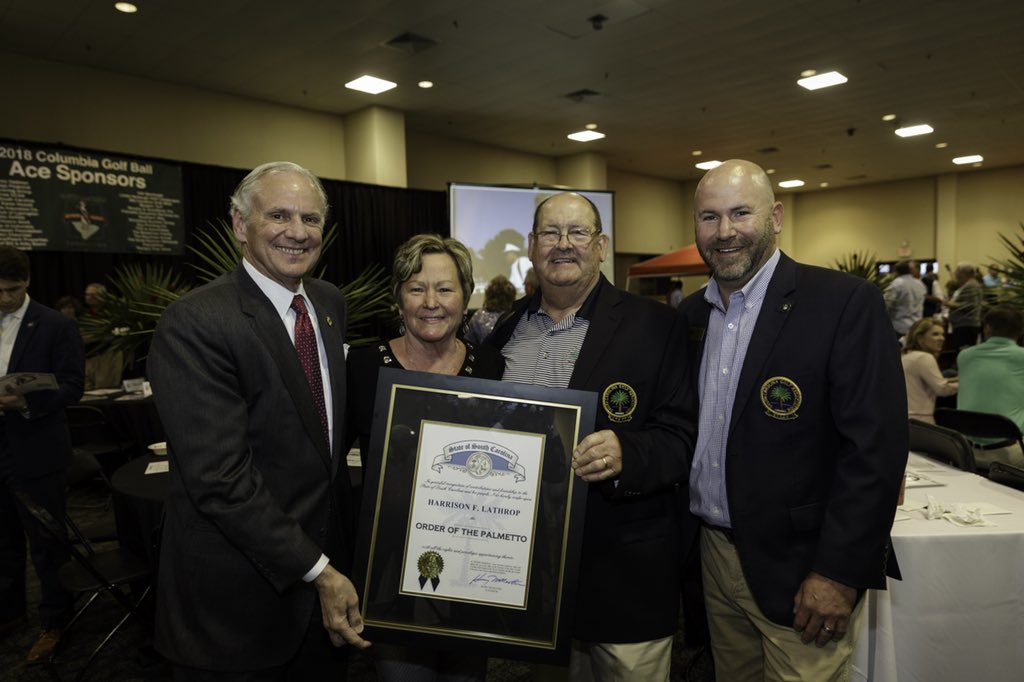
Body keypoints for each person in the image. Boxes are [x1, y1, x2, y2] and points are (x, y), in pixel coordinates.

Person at [678, 160, 906, 681]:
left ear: (776, 216)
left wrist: (838, 573)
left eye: (740, 213)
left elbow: (876, 450)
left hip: (804, 568)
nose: (725, 231)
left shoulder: (843, 303)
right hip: (714, 558)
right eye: (709, 217)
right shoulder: (691, 316)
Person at [147, 161, 369, 679]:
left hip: (325, 597)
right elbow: (220, 481)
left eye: (310, 219)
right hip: (238, 604)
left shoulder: (329, 303)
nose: (297, 231)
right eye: (279, 215)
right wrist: (319, 571)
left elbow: (321, 445)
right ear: (239, 225)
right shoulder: (197, 321)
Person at [488, 192, 695, 681]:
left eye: (578, 232)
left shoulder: (657, 325)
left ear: (601, 245)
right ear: (534, 245)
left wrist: (630, 451)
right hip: (534, 573)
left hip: (625, 572)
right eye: (551, 234)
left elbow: (685, 435)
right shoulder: (506, 329)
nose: (564, 245)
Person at [347, 234, 503, 681]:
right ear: (399, 297)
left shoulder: (492, 367)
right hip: (390, 573)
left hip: (473, 568)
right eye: (416, 289)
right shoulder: (361, 369)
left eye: (445, 288)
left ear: (466, 295)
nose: (431, 302)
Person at [0, 246, 84, 663]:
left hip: (36, 448)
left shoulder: (54, 325)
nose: (3, 299)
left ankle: (56, 621)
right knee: (2, 541)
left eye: (11, 290)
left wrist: (27, 403)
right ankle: (10, 613)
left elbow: (72, 386)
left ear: (27, 282)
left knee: (47, 543)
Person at [956, 304, 1024, 467]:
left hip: (965, 452)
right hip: (1010, 456)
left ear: (986, 328)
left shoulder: (964, 356)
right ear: (1021, 331)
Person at [902, 318, 958, 423]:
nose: (941, 338)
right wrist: (966, 384)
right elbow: (942, 389)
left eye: (943, 334)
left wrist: (955, 380)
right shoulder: (924, 357)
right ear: (920, 338)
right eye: (935, 334)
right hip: (920, 421)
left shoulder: (906, 356)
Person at [464, 274, 516, 344]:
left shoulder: (478, 316)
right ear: (511, 296)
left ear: (489, 294)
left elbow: (468, 342)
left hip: (481, 354)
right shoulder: (514, 316)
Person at [883, 260, 927, 337]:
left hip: (899, 326)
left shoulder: (896, 284)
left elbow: (886, 304)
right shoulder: (920, 284)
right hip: (917, 325)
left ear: (896, 272)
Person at [946, 262, 983, 349]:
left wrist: (949, 304)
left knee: (964, 352)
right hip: (964, 325)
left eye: (957, 271)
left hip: (966, 325)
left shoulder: (971, 286)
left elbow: (970, 305)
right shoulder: (969, 285)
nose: (955, 273)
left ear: (962, 273)